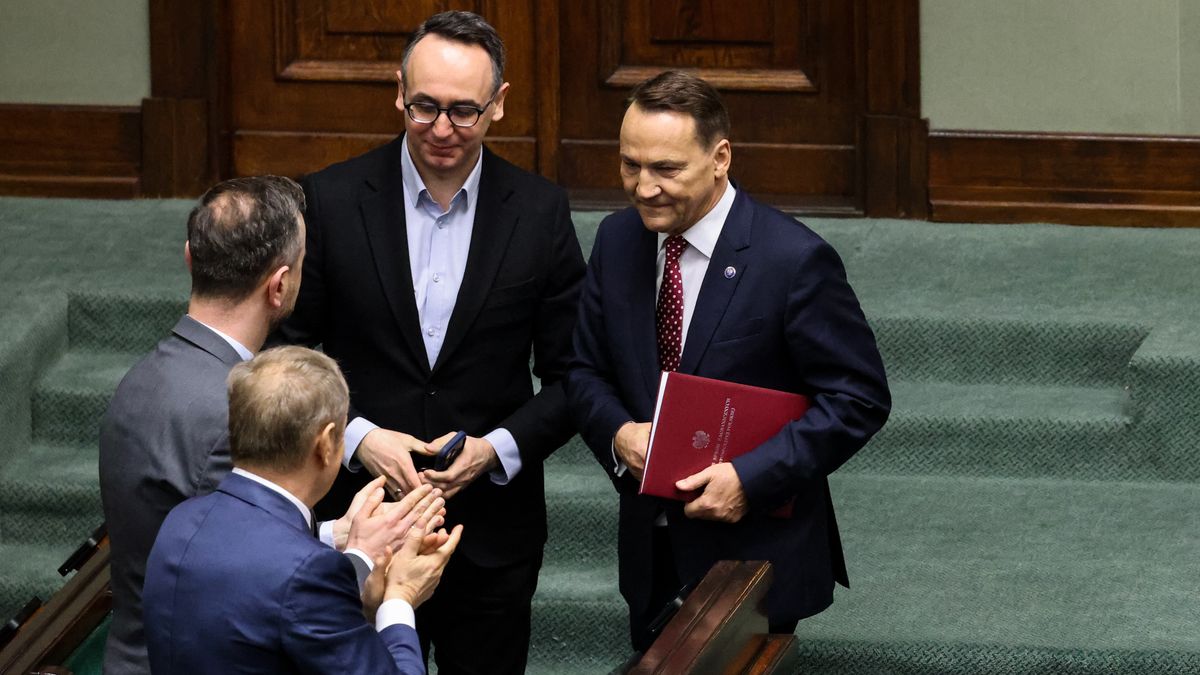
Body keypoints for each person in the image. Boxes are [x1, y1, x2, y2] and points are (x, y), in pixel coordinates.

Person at [272, 11, 585, 673]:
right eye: (425, 107)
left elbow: (573, 375)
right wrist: (358, 438)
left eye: (464, 111)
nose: (442, 129)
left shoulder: (541, 212)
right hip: (358, 526)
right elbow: (285, 355)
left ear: (500, 103)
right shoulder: (328, 200)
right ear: (398, 93)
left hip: (491, 533)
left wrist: (492, 451)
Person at [565, 71, 892, 651]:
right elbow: (584, 369)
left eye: (667, 169)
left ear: (720, 158)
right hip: (650, 550)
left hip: (754, 556)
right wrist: (618, 434)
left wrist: (750, 478)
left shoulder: (793, 259)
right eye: (630, 165)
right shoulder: (617, 241)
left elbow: (858, 399)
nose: (644, 188)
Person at [99, 177, 394, 674]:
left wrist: (329, 534)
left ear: (190, 258)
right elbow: (251, 581)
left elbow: (217, 541)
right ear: (279, 286)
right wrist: (363, 558)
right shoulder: (232, 412)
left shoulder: (145, 374)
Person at [143, 346, 462, 674]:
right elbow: (293, 586)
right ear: (325, 444)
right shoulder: (308, 573)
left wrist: (340, 541)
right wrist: (400, 598)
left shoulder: (180, 521)